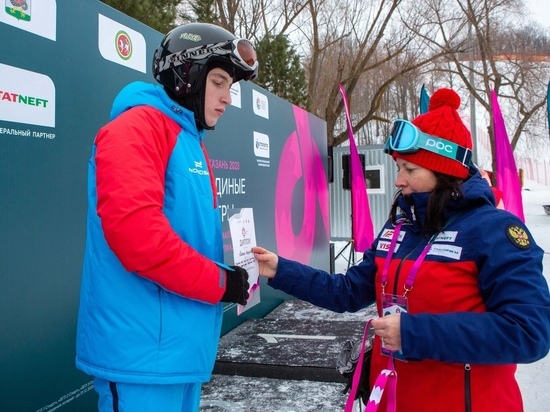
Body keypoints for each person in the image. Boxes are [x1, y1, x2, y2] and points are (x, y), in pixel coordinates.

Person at [253, 88, 550, 411]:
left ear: (444, 173)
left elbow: (529, 332)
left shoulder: (496, 231)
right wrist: (280, 269)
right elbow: (347, 292)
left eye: (410, 170)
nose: (398, 180)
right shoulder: (400, 227)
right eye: (398, 168)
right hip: (393, 399)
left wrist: (415, 333)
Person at [75, 22, 258, 412]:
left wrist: (228, 274)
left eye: (232, 87)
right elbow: (139, 237)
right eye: (220, 82)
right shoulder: (136, 128)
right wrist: (220, 282)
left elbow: (184, 241)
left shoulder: (190, 141)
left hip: (178, 357)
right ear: (186, 76)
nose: (227, 98)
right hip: (140, 360)